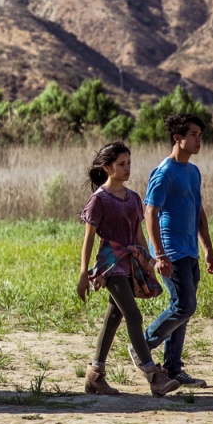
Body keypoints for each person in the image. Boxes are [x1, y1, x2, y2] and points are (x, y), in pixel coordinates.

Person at [77, 141, 182, 397]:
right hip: (110, 263)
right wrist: (83, 273)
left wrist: (150, 259)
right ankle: (153, 375)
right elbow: (89, 238)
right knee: (133, 316)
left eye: (129, 163)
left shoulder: (134, 198)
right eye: (121, 164)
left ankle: (95, 376)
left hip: (131, 262)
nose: (127, 168)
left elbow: (137, 233)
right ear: (108, 168)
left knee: (115, 317)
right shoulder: (98, 200)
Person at [143, 112, 213, 387]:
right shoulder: (164, 172)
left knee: (183, 311)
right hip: (172, 251)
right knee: (184, 305)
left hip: (191, 251)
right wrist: (159, 255)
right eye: (194, 135)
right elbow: (150, 213)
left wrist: (208, 249)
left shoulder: (193, 171)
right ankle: (142, 346)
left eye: (200, 135)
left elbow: (199, 212)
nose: (199, 140)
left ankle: (173, 369)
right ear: (178, 138)